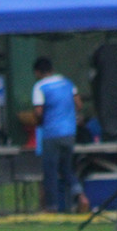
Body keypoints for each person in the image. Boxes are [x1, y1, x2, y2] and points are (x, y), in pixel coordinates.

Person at [32, 57, 90, 213]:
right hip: (69, 133)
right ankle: (81, 196)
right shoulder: (68, 83)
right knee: (66, 168)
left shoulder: (40, 86)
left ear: (38, 72)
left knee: (50, 170)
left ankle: (51, 207)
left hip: (51, 133)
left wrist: (41, 121)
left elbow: (38, 111)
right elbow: (78, 104)